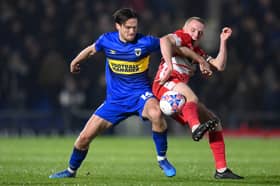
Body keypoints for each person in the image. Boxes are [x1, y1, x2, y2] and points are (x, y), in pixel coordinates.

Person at [49, 8, 177, 178]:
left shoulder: (145, 42)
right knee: (84, 138)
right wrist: (75, 61)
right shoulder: (107, 40)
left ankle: (162, 159)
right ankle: (71, 171)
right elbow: (91, 49)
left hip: (140, 96)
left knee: (157, 113)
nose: (132, 31)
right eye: (128, 27)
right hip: (115, 101)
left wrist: (172, 63)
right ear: (118, 26)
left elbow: (166, 42)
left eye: (135, 27)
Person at [152, 17, 244, 179]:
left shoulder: (198, 51)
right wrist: (170, 65)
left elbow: (219, 65)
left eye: (200, 32)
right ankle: (195, 128)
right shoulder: (181, 37)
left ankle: (221, 170)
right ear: (184, 28)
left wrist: (223, 41)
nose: (196, 34)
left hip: (178, 90)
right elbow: (164, 40)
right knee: (191, 97)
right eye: (193, 30)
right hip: (165, 83)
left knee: (214, 122)